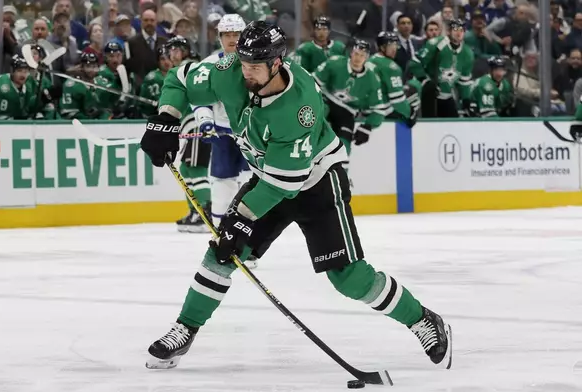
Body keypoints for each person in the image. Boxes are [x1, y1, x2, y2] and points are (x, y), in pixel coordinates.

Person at [139, 21, 453, 371]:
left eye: (255, 67)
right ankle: (185, 327)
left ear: (277, 63)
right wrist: (166, 119)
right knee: (221, 254)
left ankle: (422, 319)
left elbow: (282, 186)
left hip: (316, 182)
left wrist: (240, 219)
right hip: (269, 176)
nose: (246, 73)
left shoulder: (299, 107)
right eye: (243, 63)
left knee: (348, 278)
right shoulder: (230, 70)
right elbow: (179, 79)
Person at [192, 14, 250, 230]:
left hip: (250, 135)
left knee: (250, 187)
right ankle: (220, 237)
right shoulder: (208, 65)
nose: (233, 39)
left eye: (237, 34)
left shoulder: (256, 63)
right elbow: (199, 98)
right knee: (222, 186)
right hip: (222, 135)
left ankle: (248, 243)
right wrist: (205, 122)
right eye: (228, 34)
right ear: (219, 37)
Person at [313, 39, 386, 170]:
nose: (358, 58)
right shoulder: (335, 63)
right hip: (327, 102)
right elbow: (313, 81)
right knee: (315, 130)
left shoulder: (372, 79)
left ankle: (342, 181)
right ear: (351, 53)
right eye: (356, 54)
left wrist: (367, 126)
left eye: (362, 56)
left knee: (344, 148)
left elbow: (379, 110)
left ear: (367, 58)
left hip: (347, 112)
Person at [166, 36, 212, 233]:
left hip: (197, 123)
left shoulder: (189, 68)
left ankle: (204, 214)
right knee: (186, 169)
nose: (173, 54)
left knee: (196, 168)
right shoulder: (185, 69)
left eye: (177, 49)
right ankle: (195, 211)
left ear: (185, 51)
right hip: (189, 125)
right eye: (171, 50)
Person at [409, 19, 474, 118]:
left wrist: (466, 99)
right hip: (428, 94)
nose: (459, 33)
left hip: (447, 95)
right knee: (429, 124)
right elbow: (415, 63)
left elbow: (464, 81)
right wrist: (425, 81)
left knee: (452, 125)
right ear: (448, 31)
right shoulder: (435, 44)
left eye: (462, 30)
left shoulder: (468, 53)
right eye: (455, 29)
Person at [369, 31, 420, 127]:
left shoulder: (370, 60)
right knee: (413, 89)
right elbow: (397, 101)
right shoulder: (391, 67)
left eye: (395, 44)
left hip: (365, 108)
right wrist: (410, 113)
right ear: (382, 47)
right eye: (390, 45)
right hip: (381, 111)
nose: (394, 48)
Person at [0, 55, 46, 119]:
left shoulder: (30, 82)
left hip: (22, 123)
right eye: (19, 71)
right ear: (12, 71)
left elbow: (31, 106)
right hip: (0, 124)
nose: (23, 75)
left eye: (26, 71)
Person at [60, 52, 110, 120]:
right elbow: (68, 113)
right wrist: (90, 121)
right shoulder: (71, 85)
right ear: (81, 67)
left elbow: (107, 109)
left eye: (94, 66)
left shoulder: (102, 83)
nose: (92, 70)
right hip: (77, 125)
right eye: (88, 66)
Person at [139, 47, 173, 117]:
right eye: (162, 59)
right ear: (158, 61)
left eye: (169, 58)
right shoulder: (153, 78)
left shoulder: (177, 75)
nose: (166, 62)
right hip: (150, 116)